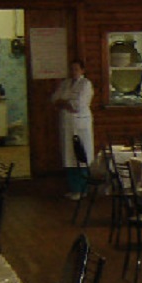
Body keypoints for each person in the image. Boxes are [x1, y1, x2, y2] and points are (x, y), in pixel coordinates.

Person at [50, 58, 94, 199]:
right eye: (71, 69)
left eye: (76, 69)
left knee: (80, 155)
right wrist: (65, 102)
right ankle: (74, 188)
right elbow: (54, 99)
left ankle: (82, 189)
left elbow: (78, 105)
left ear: (82, 70)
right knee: (69, 156)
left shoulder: (85, 84)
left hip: (80, 124)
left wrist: (64, 102)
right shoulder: (65, 83)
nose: (73, 72)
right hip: (66, 124)